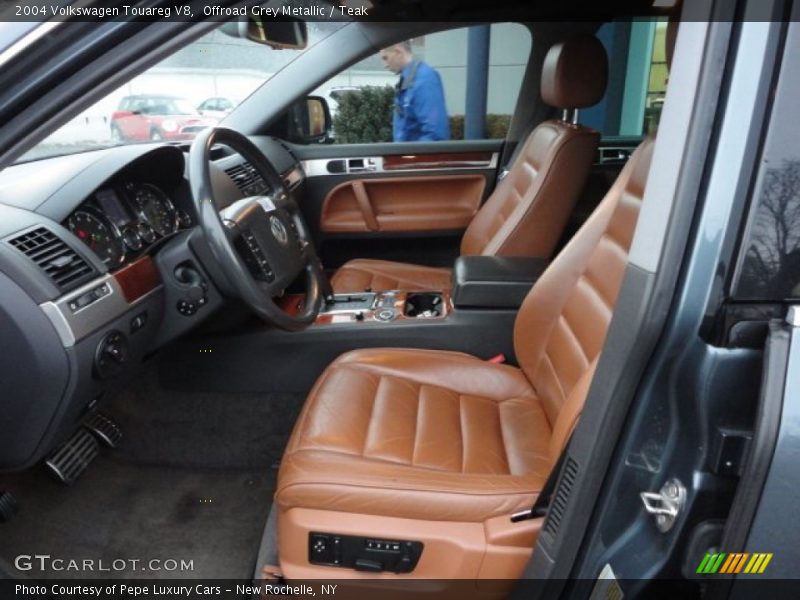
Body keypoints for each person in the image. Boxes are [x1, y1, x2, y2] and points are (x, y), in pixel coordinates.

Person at [380, 41, 450, 142]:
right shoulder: (411, 79)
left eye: (385, 58)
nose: (385, 65)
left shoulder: (424, 80)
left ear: (398, 52)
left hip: (420, 156)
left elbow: (435, 134)